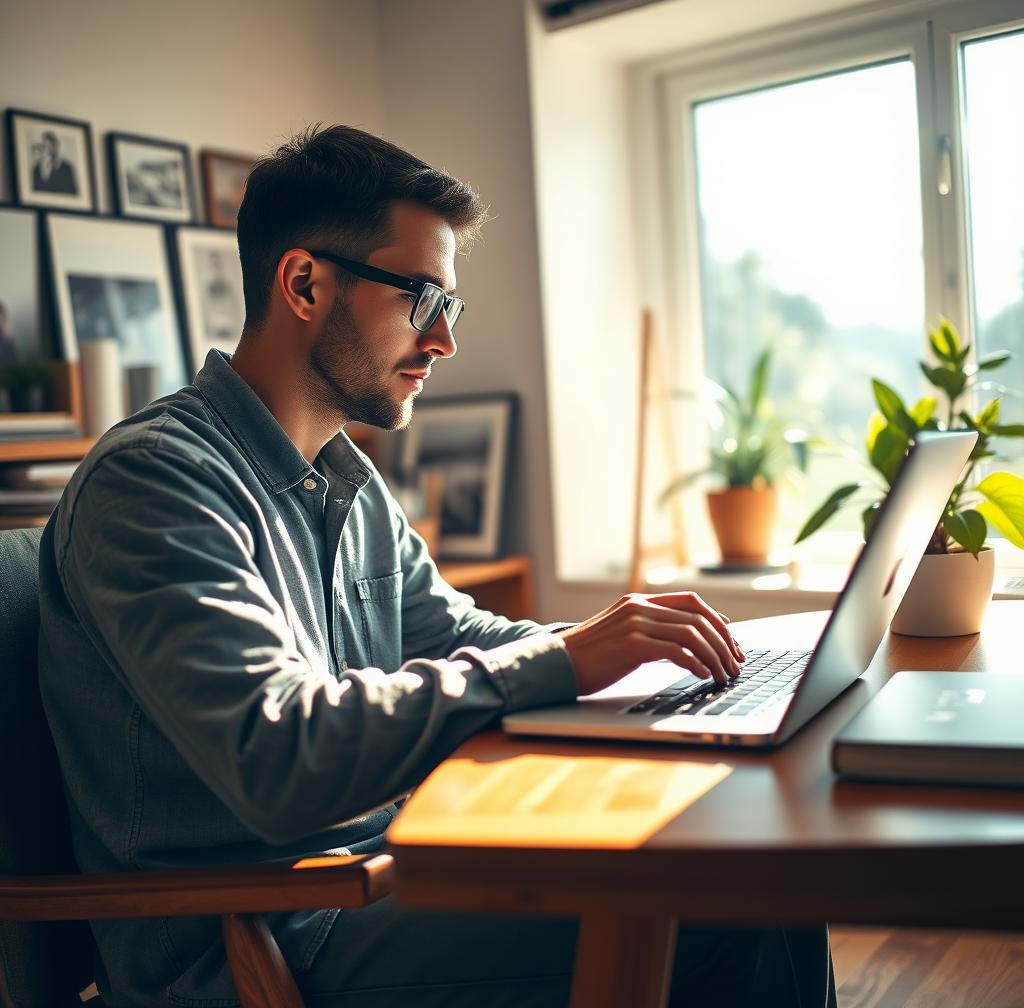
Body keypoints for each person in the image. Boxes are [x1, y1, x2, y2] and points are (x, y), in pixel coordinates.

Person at [37, 124, 836, 1007]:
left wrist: (628, 646)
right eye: (424, 298)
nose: (444, 340)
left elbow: (461, 635)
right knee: (738, 911)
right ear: (304, 283)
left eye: (450, 306)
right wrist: (565, 660)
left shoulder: (349, 480)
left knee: (744, 874)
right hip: (261, 936)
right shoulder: (153, 481)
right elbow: (278, 755)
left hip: (378, 877)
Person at [31, 129, 77, 194]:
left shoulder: (67, 167)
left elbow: (73, 192)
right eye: (47, 147)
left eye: (52, 146)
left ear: (57, 146)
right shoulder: (37, 168)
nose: (50, 150)